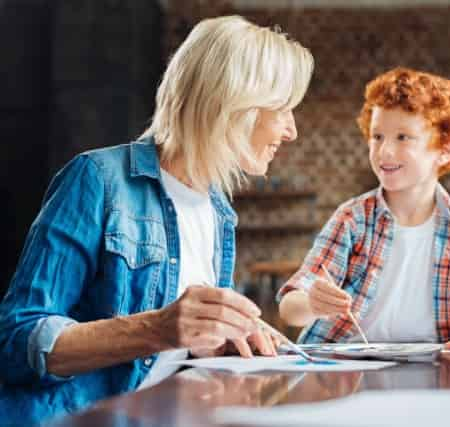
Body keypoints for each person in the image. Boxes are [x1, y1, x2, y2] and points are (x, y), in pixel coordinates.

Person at [0, 15, 314, 397]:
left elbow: (178, 353)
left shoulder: (217, 211)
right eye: (282, 109)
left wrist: (220, 336)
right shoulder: (98, 179)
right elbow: (16, 342)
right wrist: (157, 329)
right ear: (235, 104)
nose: (292, 130)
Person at [278, 67, 450, 349]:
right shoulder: (353, 219)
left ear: (444, 148)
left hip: (435, 372)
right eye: (377, 136)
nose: (384, 151)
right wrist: (311, 303)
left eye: (402, 137)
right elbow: (289, 307)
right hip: (345, 371)